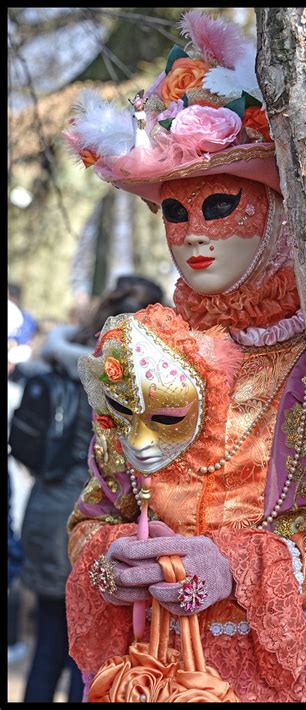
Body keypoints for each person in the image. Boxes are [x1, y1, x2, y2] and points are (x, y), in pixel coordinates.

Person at [64, 11, 306, 702]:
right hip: (153, 672)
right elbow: (94, 516)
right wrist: (113, 561)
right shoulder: (135, 345)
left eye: (221, 203)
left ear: (279, 209)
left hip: (294, 677)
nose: (193, 233)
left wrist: (239, 568)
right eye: (175, 212)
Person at [19, 276, 165, 703]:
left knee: (48, 641)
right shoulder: (121, 384)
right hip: (88, 522)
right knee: (85, 655)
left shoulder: (54, 364)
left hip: (44, 510)